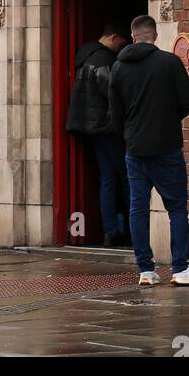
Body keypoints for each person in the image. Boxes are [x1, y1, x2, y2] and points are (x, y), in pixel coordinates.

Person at [108, 14, 189, 287]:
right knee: (176, 208)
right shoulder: (168, 62)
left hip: (134, 149)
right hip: (166, 147)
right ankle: (179, 268)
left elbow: (114, 114)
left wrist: (129, 135)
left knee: (137, 208)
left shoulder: (118, 67)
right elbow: (186, 100)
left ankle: (146, 271)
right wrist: (167, 119)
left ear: (133, 37)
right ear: (154, 36)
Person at [66, 22, 131, 247]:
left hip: (93, 128)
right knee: (127, 176)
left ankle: (111, 230)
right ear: (112, 38)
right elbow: (114, 94)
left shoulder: (87, 56)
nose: (123, 47)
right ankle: (128, 230)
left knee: (108, 178)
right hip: (107, 128)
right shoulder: (103, 60)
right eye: (122, 42)